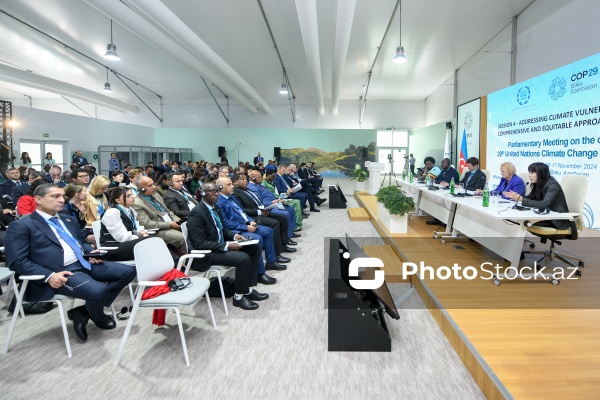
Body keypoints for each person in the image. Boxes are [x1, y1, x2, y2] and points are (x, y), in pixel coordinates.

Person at [5, 183, 136, 342]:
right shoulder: (22, 225)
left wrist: (89, 251)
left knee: (128, 271)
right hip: (60, 271)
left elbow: (81, 241)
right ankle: (98, 315)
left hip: (84, 263)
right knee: (98, 291)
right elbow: (17, 261)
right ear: (38, 199)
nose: (61, 200)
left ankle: (83, 311)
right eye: (55, 196)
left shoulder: (67, 219)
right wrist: (49, 275)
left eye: (62, 197)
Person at [186, 182, 272, 310]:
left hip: (218, 245)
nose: (217, 194)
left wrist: (234, 236)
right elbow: (200, 243)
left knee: (254, 248)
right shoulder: (197, 213)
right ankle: (238, 297)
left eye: (218, 191)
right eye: (214, 192)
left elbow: (222, 229)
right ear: (203, 194)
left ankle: (247, 289)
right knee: (243, 258)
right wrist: (226, 246)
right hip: (206, 253)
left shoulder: (215, 208)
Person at [216, 177, 287, 273]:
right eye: (229, 185)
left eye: (232, 184)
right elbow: (225, 223)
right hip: (236, 230)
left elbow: (242, 212)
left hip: (245, 224)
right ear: (220, 187)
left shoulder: (231, 197)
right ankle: (259, 273)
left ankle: (271, 262)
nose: (232, 186)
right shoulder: (219, 202)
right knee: (258, 239)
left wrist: (250, 221)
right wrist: (246, 227)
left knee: (268, 231)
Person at [231, 173, 297, 253]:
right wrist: (259, 212)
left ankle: (283, 244)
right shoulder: (235, 193)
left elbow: (258, 201)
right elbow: (242, 210)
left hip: (262, 210)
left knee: (282, 218)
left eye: (246, 179)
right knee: (275, 223)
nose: (245, 181)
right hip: (253, 216)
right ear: (235, 182)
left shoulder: (247, 189)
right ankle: (277, 252)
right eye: (242, 179)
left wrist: (265, 208)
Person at [131, 176, 186, 257]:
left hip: (170, 224)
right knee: (182, 237)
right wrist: (170, 225)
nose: (154, 187)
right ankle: (191, 261)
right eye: (150, 186)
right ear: (141, 189)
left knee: (191, 230)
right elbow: (146, 224)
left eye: (153, 184)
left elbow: (168, 211)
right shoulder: (137, 203)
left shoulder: (156, 195)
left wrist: (178, 221)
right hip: (156, 230)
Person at [504, 162, 569, 229]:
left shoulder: (553, 185)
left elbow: (544, 204)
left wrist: (521, 199)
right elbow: (530, 198)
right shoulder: (539, 183)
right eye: (529, 172)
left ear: (541, 173)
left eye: (532, 173)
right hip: (544, 215)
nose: (529, 175)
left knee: (524, 221)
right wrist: (518, 197)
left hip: (556, 220)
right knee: (518, 217)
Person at [100, 187, 150, 261]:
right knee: (149, 242)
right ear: (117, 200)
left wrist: (142, 232)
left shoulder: (130, 210)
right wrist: (139, 238)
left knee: (152, 241)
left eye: (132, 194)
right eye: (128, 196)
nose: (133, 197)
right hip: (113, 248)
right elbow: (121, 237)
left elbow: (136, 226)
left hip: (125, 244)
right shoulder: (112, 213)